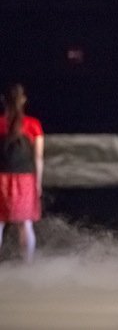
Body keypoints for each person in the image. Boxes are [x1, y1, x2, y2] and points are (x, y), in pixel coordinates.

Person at [0, 83, 44, 263]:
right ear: (23, 100)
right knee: (25, 224)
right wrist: (38, 183)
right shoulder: (34, 125)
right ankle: (28, 265)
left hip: (1, 178)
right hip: (26, 180)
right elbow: (39, 157)